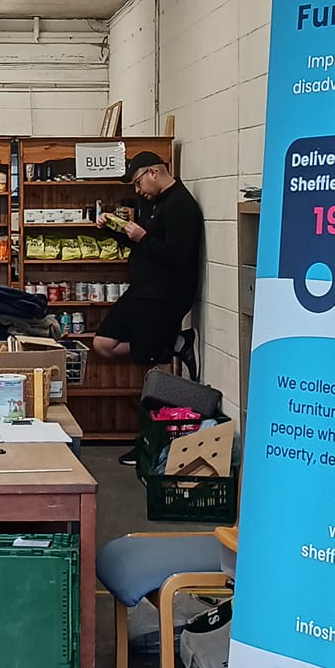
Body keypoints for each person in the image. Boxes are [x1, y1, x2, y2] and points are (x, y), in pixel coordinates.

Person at [93, 153, 204, 455]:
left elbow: (178, 257)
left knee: (157, 373)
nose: (137, 190)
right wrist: (115, 229)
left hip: (164, 296)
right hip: (142, 290)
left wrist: (142, 237)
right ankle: (176, 342)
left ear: (153, 172)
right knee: (103, 343)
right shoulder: (152, 203)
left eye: (138, 182)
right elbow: (147, 246)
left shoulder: (181, 205)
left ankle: (155, 444)